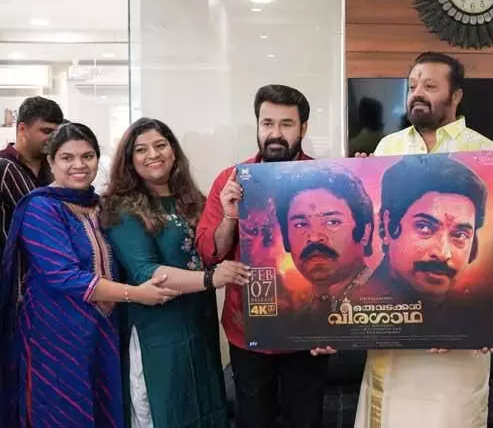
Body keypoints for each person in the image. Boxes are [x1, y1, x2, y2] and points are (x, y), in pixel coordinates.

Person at [348, 52, 493, 428]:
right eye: (412, 86)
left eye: (429, 85)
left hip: (459, 339)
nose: (417, 94)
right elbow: (370, 241)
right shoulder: (387, 148)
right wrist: (361, 179)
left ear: (455, 96)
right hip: (393, 331)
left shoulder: (485, 152)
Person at [0, 122, 180, 427]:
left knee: (104, 406)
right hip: (54, 334)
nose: (79, 165)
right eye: (67, 158)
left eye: (87, 156)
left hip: (102, 330)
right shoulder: (41, 208)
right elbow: (64, 276)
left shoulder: (102, 206)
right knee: (61, 412)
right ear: (51, 162)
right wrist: (137, 294)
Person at [102, 118, 251, 427]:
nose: (153, 155)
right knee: (166, 410)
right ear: (129, 160)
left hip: (199, 322)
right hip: (158, 329)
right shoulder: (122, 209)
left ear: (173, 151)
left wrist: (229, 218)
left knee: (206, 407)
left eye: (160, 145)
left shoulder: (192, 200)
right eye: (141, 150)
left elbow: (212, 250)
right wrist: (211, 278)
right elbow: (146, 271)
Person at [195, 84, 329, 428]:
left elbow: (345, 255)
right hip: (249, 329)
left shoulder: (326, 179)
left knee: (306, 419)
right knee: (253, 419)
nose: (275, 133)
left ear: (303, 128)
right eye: (267, 123)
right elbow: (210, 254)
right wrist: (230, 216)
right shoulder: (231, 180)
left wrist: (336, 328)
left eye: (286, 124)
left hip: (309, 330)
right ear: (257, 125)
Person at [359, 154, 487, 306]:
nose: (443, 254)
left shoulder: (476, 315)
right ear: (387, 225)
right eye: (424, 227)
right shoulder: (349, 308)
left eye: (460, 235)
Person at [273, 163, 374, 311]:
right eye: (301, 224)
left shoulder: (392, 300)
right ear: (285, 238)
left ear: (365, 232)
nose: (314, 237)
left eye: (332, 222)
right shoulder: (299, 314)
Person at [0, 96, 62, 255]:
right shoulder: (4, 167)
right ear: (22, 129)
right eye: (46, 131)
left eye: (57, 133)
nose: (53, 139)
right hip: (14, 264)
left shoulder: (55, 168)